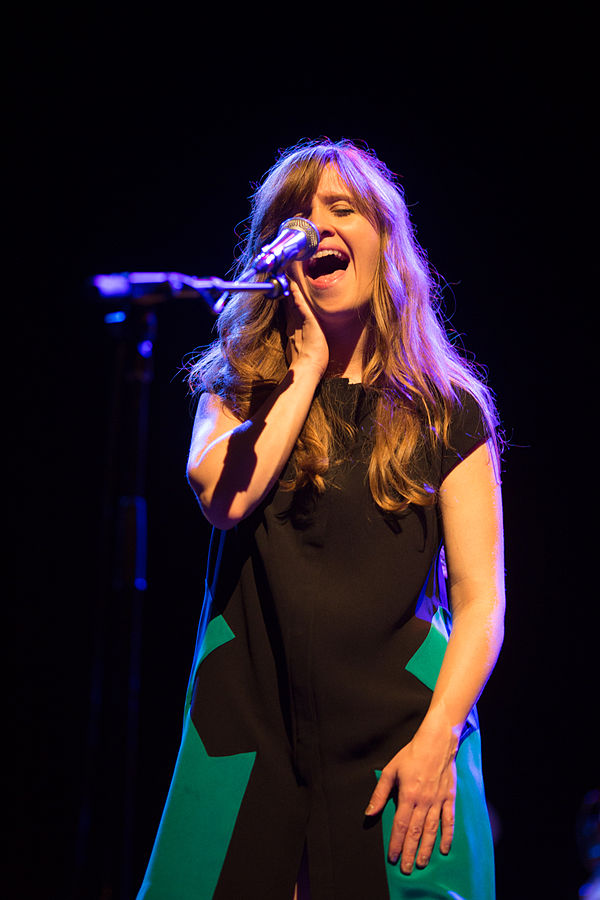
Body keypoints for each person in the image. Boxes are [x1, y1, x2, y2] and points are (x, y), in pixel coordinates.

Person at [137, 138, 505, 899]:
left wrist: (439, 738)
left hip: (397, 734)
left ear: (386, 246)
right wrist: (302, 372)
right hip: (249, 733)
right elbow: (226, 499)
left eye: (342, 210)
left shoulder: (447, 410)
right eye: (297, 217)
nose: (319, 226)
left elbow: (481, 601)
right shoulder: (232, 391)